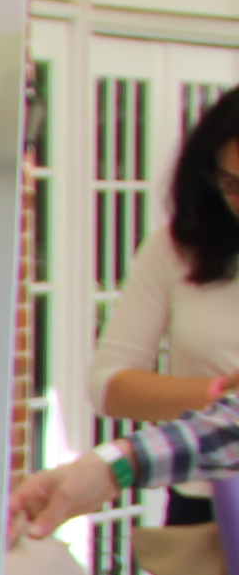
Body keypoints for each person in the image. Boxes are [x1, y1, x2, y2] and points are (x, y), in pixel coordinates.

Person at [12, 87, 239, 542]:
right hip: (207, 504)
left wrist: (116, 464)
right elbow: (110, 383)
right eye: (232, 184)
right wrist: (218, 393)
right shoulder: (180, 248)